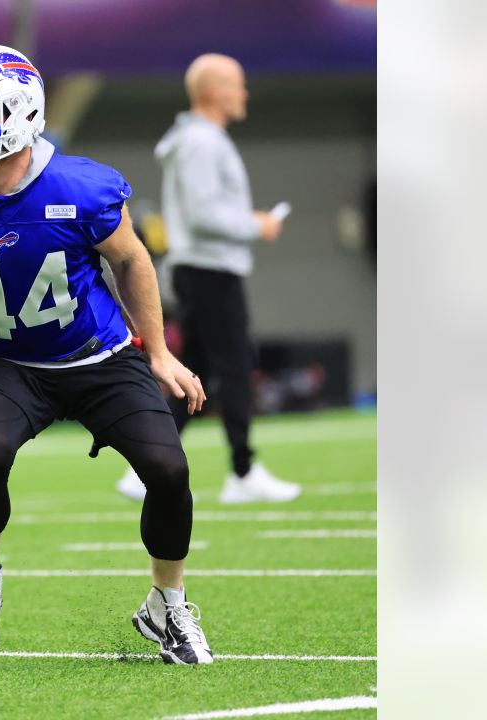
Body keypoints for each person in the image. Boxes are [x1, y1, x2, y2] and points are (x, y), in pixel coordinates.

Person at [0, 45, 214, 664]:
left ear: (21, 112)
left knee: (169, 471)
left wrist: (160, 353)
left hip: (98, 353)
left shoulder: (82, 185)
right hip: (1, 361)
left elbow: (132, 259)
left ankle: (166, 603)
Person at [116, 53, 302, 505]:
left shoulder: (196, 140)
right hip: (209, 268)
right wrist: (257, 224)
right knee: (235, 367)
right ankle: (242, 471)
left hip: (202, 268)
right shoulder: (202, 142)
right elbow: (203, 214)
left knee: (194, 373)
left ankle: (143, 467)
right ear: (216, 91)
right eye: (238, 85)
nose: (245, 94)